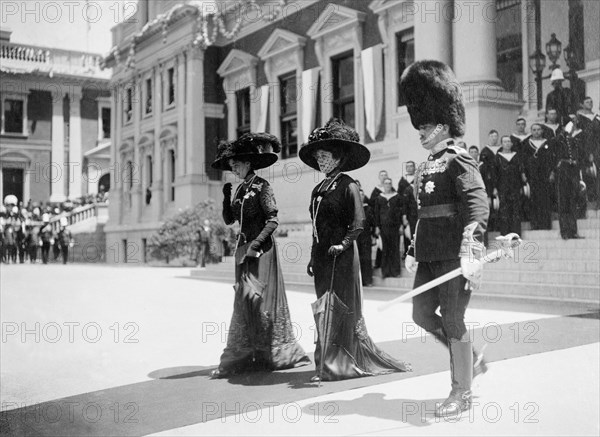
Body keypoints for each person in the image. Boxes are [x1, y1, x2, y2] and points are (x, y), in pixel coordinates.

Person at [400, 60, 489, 417]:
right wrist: (411, 248)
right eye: (418, 125)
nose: (420, 131)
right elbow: (423, 212)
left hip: (454, 253)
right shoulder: (424, 166)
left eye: (425, 125)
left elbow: (476, 203)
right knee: (421, 314)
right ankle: (471, 357)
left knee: (452, 321)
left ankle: (461, 391)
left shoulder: (459, 160)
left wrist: (472, 245)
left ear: (443, 124)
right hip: (428, 254)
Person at [300, 118, 411, 382]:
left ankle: (339, 363)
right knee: (323, 308)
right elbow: (316, 226)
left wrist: (344, 244)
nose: (320, 161)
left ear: (338, 158)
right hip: (323, 258)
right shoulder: (318, 188)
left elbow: (360, 222)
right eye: (318, 157)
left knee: (340, 307)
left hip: (343, 256)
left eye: (325, 156)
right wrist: (312, 256)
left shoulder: (348, 184)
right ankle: (324, 361)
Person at [209, 132, 310, 378]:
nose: (233, 169)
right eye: (231, 166)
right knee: (244, 300)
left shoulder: (262, 187)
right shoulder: (239, 189)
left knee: (260, 299)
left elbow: (273, 219)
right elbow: (229, 220)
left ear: (248, 164)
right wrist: (225, 197)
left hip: (261, 251)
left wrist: (256, 245)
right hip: (242, 251)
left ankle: (272, 353)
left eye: (236, 165)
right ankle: (244, 354)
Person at [550, 119, 587, 239]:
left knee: (572, 202)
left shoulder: (574, 141)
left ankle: (573, 231)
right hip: (562, 171)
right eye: (570, 126)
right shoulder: (558, 140)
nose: (572, 128)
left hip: (573, 171)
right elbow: (553, 145)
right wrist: (563, 133)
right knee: (563, 202)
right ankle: (564, 231)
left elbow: (578, 157)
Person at [522, 123, 553, 230]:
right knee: (533, 200)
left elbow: (551, 160)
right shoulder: (526, 144)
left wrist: (552, 172)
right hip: (532, 176)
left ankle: (545, 224)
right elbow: (522, 161)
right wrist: (523, 173)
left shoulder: (547, 143)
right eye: (534, 130)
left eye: (538, 129)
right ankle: (535, 224)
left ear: (542, 131)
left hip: (545, 175)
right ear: (531, 131)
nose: (536, 132)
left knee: (545, 199)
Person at [495, 136, 526, 236]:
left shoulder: (517, 156)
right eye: (505, 142)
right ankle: (505, 234)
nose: (507, 143)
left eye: (509, 141)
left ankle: (516, 234)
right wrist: (495, 188)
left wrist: (522, 184)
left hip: (515, 187)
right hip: (502, 187)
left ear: (512, 144)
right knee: (504, 211)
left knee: (516, 210)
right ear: (502, 144)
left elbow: (521, 171)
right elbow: (495, 174)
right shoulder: (498, 157)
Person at [373, 177, 404, 279]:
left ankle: (395, 272)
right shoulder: (379, 198)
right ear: (383, 185)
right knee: (385, 250)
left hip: (395, 227)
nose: (387, 185)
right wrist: (377, 226)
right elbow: (376, 213)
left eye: (389, 183)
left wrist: (400, 225)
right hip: (383, 227)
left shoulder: (397, 197)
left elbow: (400, 212)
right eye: (386, 184)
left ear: (391, 185)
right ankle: (385, 272)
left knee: (394, 249)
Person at [479, 130, 501, 241]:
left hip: (501, 182)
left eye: (496, 136)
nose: (494, 138)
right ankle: (492, 229)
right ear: (489, 137)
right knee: (490, 207)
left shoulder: (501, 150)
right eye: (492, 136)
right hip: (489, 183)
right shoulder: (485, 151)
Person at [398, 161, 417, 258]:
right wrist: (403, 215)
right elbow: (400, 199)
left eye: (411, 166)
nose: (409, 168)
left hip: (417, 211)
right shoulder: (402, 182)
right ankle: (408, 253)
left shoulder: (418, 178)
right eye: (407, 166)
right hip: (406, 212)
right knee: (407, 233)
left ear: (414, 167)